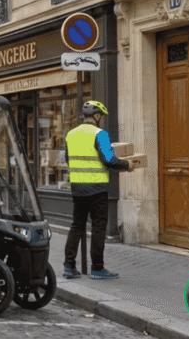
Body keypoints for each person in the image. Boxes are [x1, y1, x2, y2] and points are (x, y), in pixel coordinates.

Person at [63, 100, 132, 280]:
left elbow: (68, 159)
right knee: (98, 228)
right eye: (100, 115)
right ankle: (97, 268)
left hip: (77, 188)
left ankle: (69, 266)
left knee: (76, 226)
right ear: (97, 116)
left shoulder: (70, 134)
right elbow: (109, 160)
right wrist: (127, 165)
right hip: (97, 189)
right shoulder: (100, 134)